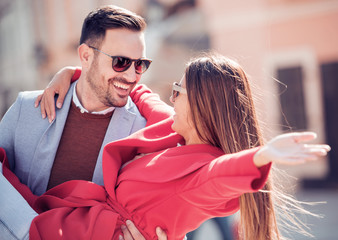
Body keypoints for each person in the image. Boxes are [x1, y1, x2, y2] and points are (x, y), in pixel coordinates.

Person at [1, 53, 330, 240]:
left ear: (201, 105)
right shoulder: (173, 128)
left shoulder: (201, 170)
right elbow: (141, 94)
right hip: (75, 213)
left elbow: (217, 176)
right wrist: (72, 73)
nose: (171, 98)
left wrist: (262, 155)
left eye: (178, 90)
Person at [0, 5, 171, 240]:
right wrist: (27, 229)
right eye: (121, 62)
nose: (132, 76)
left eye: (139, 64)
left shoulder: (143, 133)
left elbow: (168, 214)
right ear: (86, 56)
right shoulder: (26, 109)